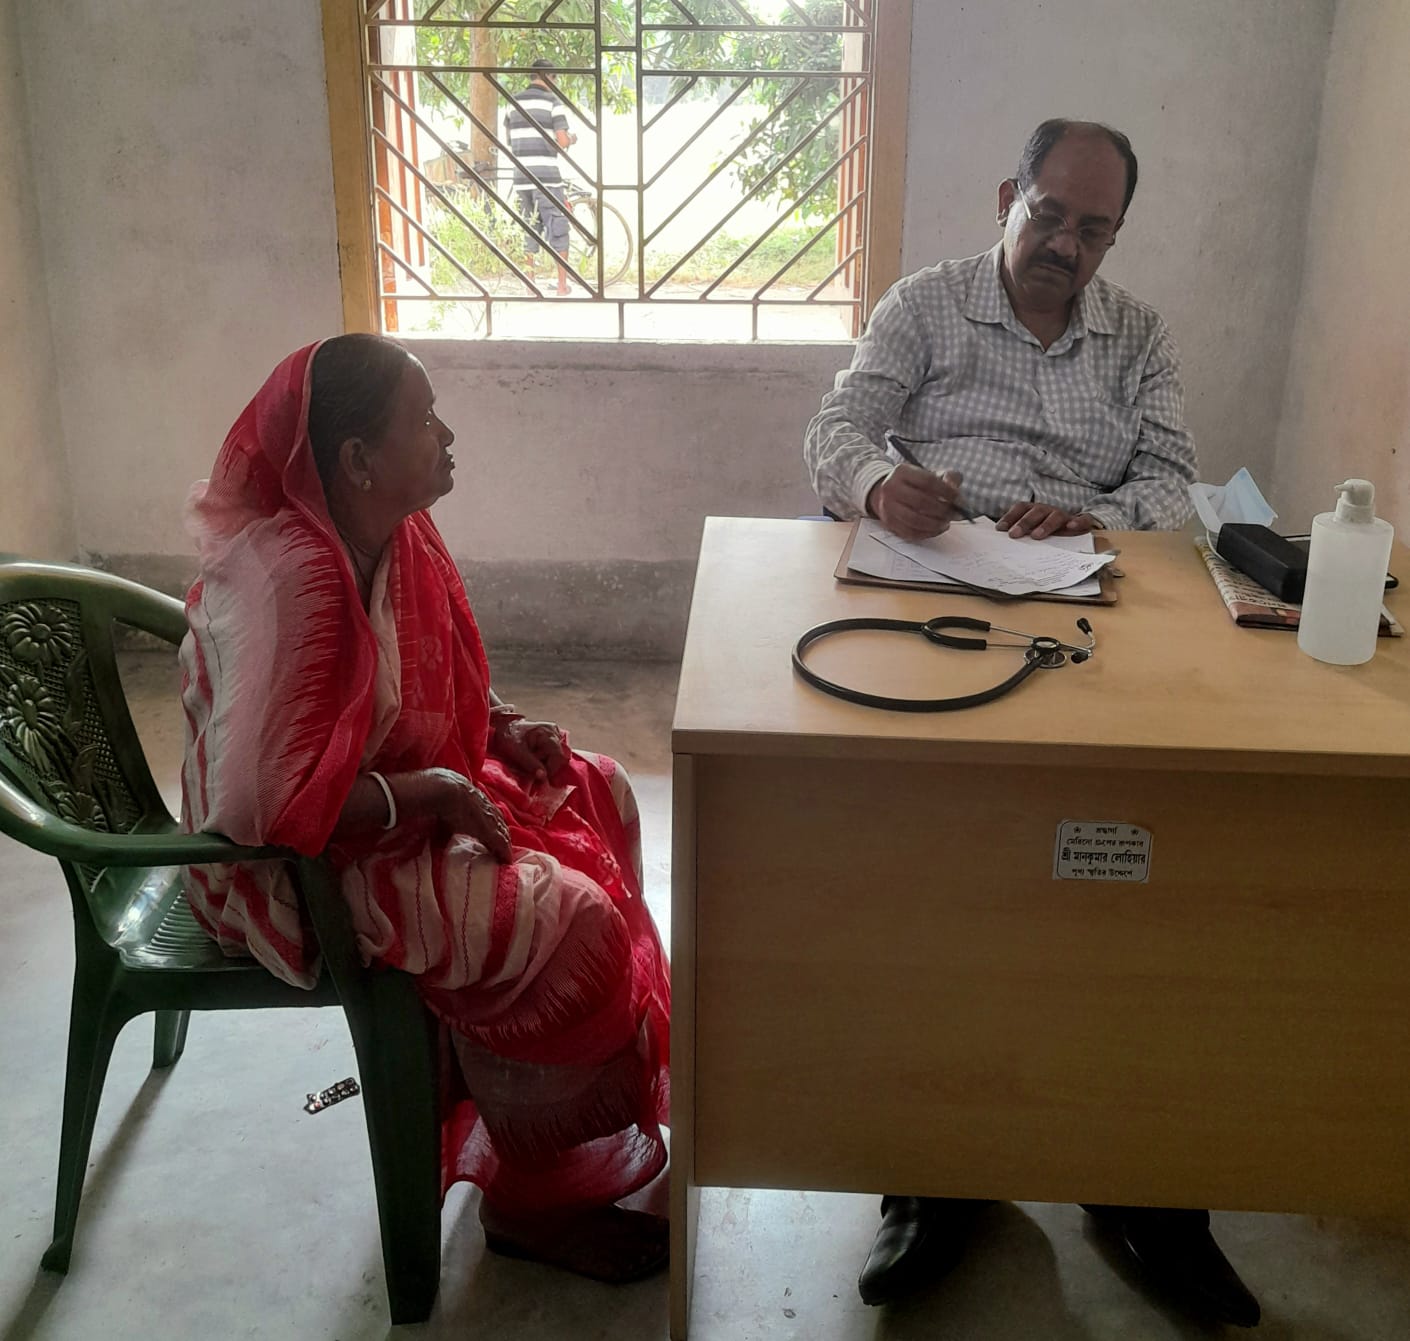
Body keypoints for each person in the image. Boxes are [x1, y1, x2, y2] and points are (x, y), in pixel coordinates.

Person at [804, 120, 1259, 1329]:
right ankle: (934, 1175)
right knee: (940, 886)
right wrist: (875, 486)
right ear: (1009, 195)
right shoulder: (927, 306)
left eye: (1093, 229)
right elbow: (833, 431)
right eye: (1049, 215)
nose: (1066, 244)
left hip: (1094, 606)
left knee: (1145, 892)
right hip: (933, 604)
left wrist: (1092, 514)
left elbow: (1176, 482)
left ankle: (1146, 1184)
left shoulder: (1139, 336)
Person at [179, 334, 670, 1283]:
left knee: (597, 787)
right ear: (358, 461)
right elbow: (259, 808)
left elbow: (427, 684)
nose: (447, 436)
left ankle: (524, 1132)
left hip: (376, 807)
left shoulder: (396, 535)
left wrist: (502, 726)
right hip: (290, 872)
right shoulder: (296, 578)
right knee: (565, 923)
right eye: (424, 420)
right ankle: (534, 1203)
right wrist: (433, 793)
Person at [505, 59, 576, 296]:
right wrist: (572, 139)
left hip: (521, 176)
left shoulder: (512, 103)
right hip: (546, 177)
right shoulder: (552, 102)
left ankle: (530, 284)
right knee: (558, 227)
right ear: (550, 77)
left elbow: (509, 140)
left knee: (529, 227)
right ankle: (562, 285)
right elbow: (563, 140)